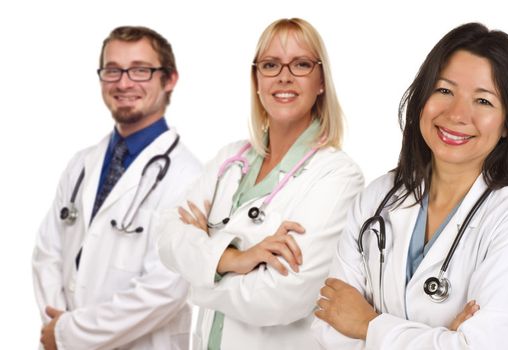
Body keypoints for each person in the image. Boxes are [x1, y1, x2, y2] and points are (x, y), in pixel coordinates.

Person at [311, 22, 508, 349]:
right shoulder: (378, 198)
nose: (457, 114)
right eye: (444, 90)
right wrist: (444, 339)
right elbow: (327, 327)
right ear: (422, 98)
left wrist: (367, 324)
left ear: (507, 125)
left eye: (483, 101)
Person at [156, 18, 364, 349]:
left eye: (301, 64)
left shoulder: (337, 176)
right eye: (270, 65)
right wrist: (233, 260)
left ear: (321, 80)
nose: (284, 76)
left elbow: (282, 297)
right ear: (256, 79)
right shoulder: (230, 160)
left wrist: (199, 274)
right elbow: (166, 233)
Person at [31, 25, 201, 349]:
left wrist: (71, 334)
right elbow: (47, 252)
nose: (123, 83)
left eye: (140, 70)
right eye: (113, 71)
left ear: (169, 79)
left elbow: (165, 289)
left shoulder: (189, 178)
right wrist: (57, 323)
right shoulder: (81, 164)